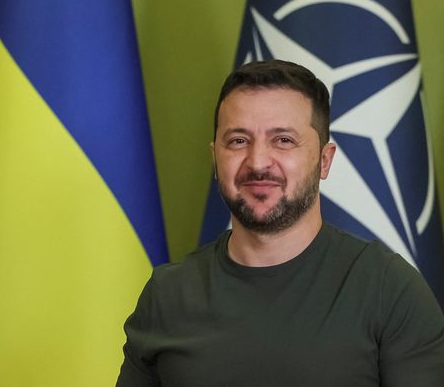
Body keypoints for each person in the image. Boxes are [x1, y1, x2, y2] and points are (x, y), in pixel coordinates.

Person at [116, 59, 444, 386]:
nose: (258, 161)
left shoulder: (391, 290)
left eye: (283, 140)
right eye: (238, 141)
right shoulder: (167, 295)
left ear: (324, 160)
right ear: (215, 157)